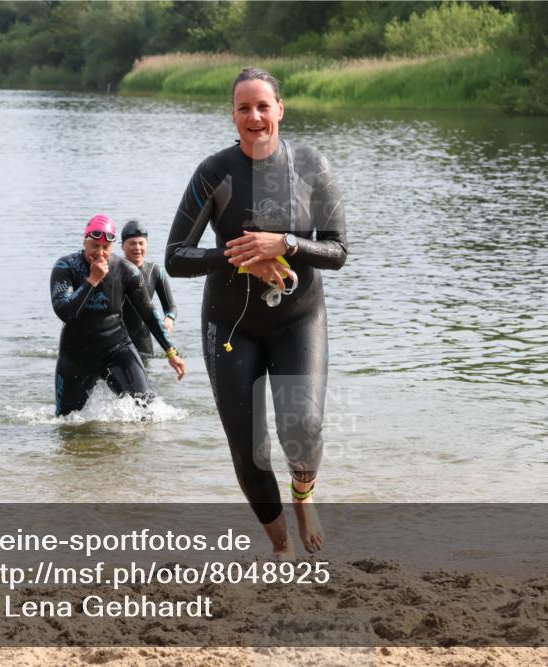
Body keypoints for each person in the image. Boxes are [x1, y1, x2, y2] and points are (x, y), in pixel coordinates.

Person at [165, 67, 347, 558]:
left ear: (280, 109)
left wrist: (285, 243)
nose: (255, 116)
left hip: (298, 319)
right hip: (231, 324)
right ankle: (280, 544)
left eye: (263, 106)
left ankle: (304, 496)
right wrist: (243, 255)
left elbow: (337, 251)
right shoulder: (213, 173)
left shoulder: (311, 166)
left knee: (302, 428)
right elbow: (176, 256)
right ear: (233, 115)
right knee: (248, 446)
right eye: (244, 108)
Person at [51, 214, 185, 417]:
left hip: (116, 348)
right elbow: (64, 311)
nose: (100, 253)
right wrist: (92, 280)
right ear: (84, 242)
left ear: (113, 247)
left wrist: (171, 352)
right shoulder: (65, 267)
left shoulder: (127, 271)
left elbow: (148, 313)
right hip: (76, 353)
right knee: (66, 420)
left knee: (148, 411)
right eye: (94, 246)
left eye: (106, 248)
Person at [119, 220, 177, 359]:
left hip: (143, 341)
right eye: (132, 243)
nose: (137, 248)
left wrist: (169, 319)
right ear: (122, 246)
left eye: (141, 243)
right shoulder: (115, 270)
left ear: (147, 245)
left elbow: (171, 307)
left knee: (146, 378)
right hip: (117, 338)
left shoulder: (155, 271)